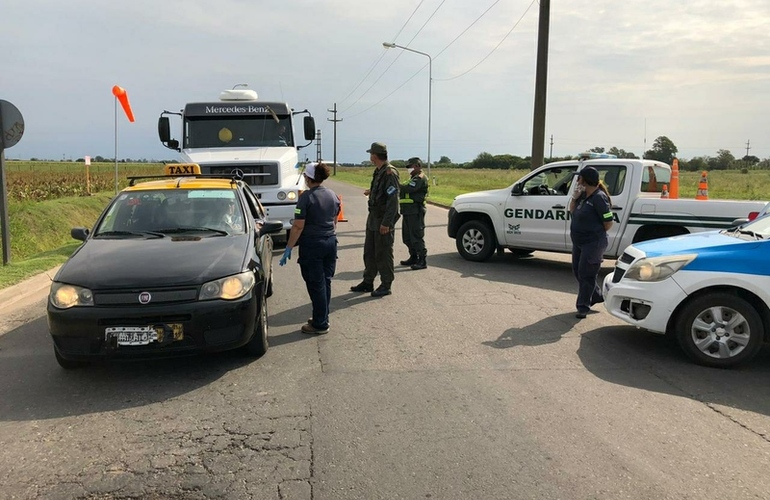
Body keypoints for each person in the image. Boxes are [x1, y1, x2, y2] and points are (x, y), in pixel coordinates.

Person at [279, 162, 340, 334]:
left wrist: (289, 247)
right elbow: (335, 220)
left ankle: (320, 324)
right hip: (330, 242)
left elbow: (298, 226)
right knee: (325, 282)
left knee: (316, 284)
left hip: (313, 245)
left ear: (308, 177)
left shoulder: (306, 197)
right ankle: (321, 316)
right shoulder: (332, 194)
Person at [350, 142, 400, 297]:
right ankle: (368, 281)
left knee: (383, 253)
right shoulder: (379, 171)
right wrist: (371, 192)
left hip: (382, 220)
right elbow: (382, 191)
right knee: (369, 252)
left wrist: (387, 223)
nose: (370, 157)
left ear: (375, 155)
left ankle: (386, 285)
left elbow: (393, 200)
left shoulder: (390, 172)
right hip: (373, 219)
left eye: (371, 154)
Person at [568, 166, 613, 319]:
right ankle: (597, 295)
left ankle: (583, 307)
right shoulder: (582, 195)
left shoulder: (599, 198)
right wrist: (574, 197)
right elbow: (572, 211)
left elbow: (608, 221)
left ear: (585, 180)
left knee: (586, 274)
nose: (577, 181)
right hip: (579, 242)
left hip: (593, 243)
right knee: (577, 271)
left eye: (579, 178)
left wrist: (595, 234)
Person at [398, 157, 429, 270]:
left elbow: (408, 189)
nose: (409, 169)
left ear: (417, 165)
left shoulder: (420, 178)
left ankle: (422, 260)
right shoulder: (413, 178)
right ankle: (413, 257)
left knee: (416, 236)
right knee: (407, 237)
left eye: (410, 166)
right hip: (407, 211)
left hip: (415, 211)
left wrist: (395, 182)